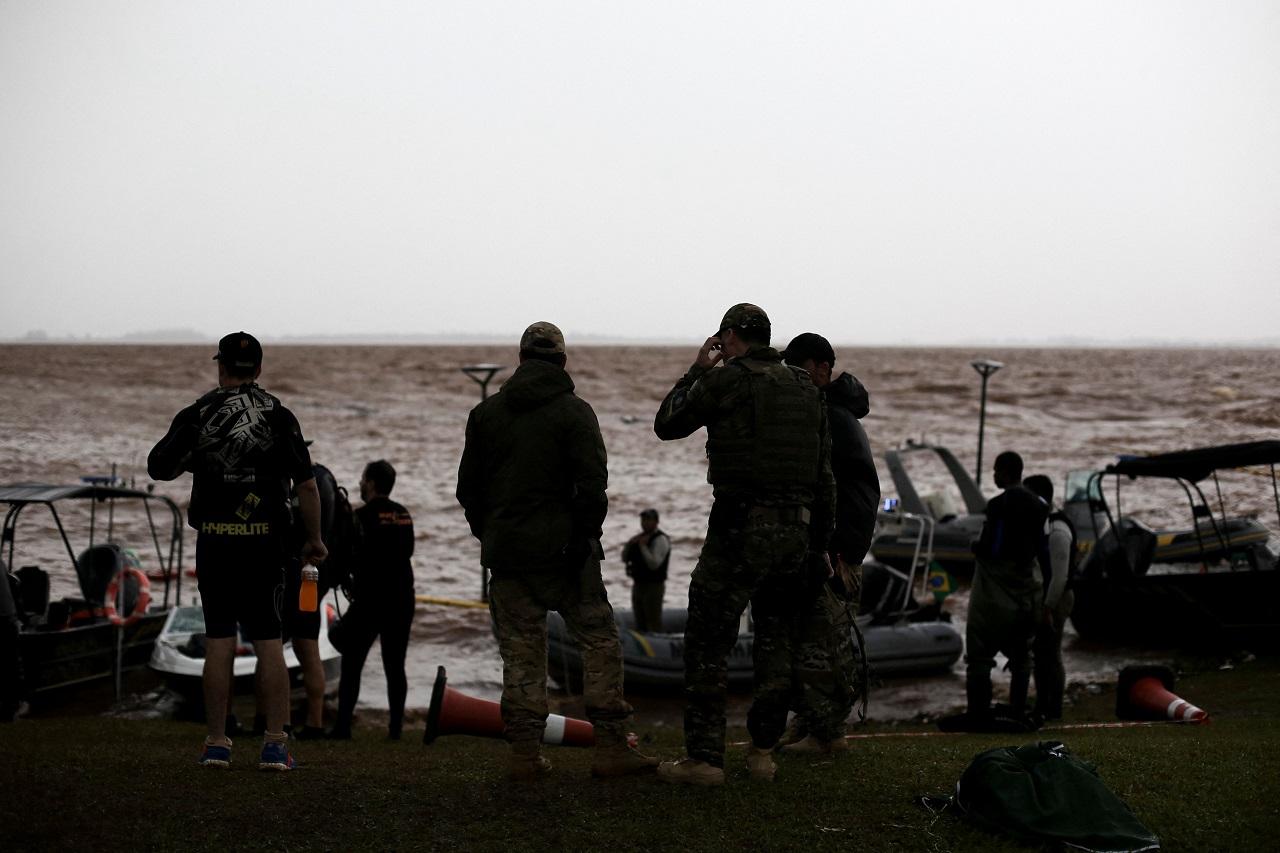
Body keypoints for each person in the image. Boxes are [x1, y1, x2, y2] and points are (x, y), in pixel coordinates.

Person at [456, 321, 657, 780]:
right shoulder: (575, 412)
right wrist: (583, 538)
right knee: (601, 643)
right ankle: (610, 747)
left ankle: (525, 755)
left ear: (522, 358)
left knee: (522, 653)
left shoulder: (485, 415)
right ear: (562, 362)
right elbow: (594, 485)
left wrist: (490, 536)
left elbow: (468, 490)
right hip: (569, 557)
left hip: (508, 557)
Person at [653, 304, 835, 786]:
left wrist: (699, 367)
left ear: (731, 337)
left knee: (709, 639)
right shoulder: (806, 389)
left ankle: (706, 759)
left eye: (723, 339)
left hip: (739, 529)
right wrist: (820, 548)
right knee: (776, 643)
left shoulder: (726, 379)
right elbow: (825, 479)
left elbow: (668, 423)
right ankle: (761, 753)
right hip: (795, 534)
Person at [148, 331, 326, 770]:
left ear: (220, 367)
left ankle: (216, 742)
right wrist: (315, 539)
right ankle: (274, 744)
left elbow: (159, 467)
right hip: (265, 541)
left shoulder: (198, 413)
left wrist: (194, 453)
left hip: (215, 542)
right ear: (259, 369)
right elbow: (306, 484)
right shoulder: (280, 415)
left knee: (219, 640)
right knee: (268, 640)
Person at [779, 332, 881, 754]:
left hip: (836, 548)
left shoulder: (832, 418)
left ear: (822, 368)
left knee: (826, 640)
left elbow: (832, 491)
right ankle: (810, 724)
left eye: (799, 367)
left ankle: (828, 733)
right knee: (812, 637)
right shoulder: (834, 412)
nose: (793, 376)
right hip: (837, 545)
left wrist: (833, 550)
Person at [328, 460, 416, 741]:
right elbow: (407, 551)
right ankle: (396, 731)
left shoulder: (360, 516)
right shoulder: (404, 515)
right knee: (395, 665)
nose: (359, 483)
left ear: (372, 483)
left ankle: (342, 728)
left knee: (353, 663)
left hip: (369, 599)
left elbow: (344, 557)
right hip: (402, 597)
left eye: (363, 479)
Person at [965, 451, 1047, 721]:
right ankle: (1017, 709)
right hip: (1025, 591)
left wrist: (976, 546)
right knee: (1022, 655)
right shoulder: (1038, 505)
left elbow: (994, 547)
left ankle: (979, 710)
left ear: (1007, 472)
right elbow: (1041, 550)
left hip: (995, 590)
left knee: (979, 653)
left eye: (996, 471)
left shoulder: (999, 505)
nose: (993, 475)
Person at [1023, 474, 1076, 721]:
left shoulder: (1058, 530)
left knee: (1051, 654)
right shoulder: (1043, 523)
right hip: (1044, 597)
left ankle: (1052, 707)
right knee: (1040, 653)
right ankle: (1042, 704)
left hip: (1056, 598)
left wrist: (1047, 607)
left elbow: (1059, 577)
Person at [621, 508, 670, 633]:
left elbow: (654, 564)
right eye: (643, 520)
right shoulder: (638, 538)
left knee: (653, 621)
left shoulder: (660, 539)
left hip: (654, 586)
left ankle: (657, 648)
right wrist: (630, 544)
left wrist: (643, 546)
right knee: (639, 621)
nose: (644, 522)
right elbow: (624, 558)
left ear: (656, 522)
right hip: (638, 584)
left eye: (648, 519)